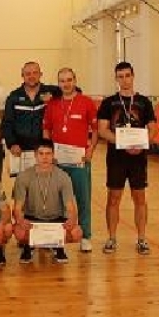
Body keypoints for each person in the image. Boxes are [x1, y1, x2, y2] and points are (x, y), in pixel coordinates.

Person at [97, 61, 158, 256]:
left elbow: (153, 128)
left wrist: (141, 144)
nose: (124, 80)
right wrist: (123, 143)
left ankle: (142, 239)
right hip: (116, 157)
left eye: (127, 75)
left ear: (133, 76)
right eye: (120, 76)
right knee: (113, 198)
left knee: (139, 198)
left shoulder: (144, 102)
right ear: (116, 79)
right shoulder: (108, 102)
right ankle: (112, 238)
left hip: (138, 158)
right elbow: (102, 130)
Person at [43, 68, 99, 253]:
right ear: (58, 83)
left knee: (83, 199)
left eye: (69, 80)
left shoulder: (86, 102)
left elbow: (95, 130)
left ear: (75, 80)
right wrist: (49, 153)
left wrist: (91, 150)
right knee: (56, 202)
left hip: (79, 161)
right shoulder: (52, 105)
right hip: (58, 162)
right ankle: (56, 237)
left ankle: (86, 236)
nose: (66, 84)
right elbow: (46, 130)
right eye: (62, 81)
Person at [12, 139, 83, 264]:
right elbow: (17, 208)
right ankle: (28, 246)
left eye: (48, 153)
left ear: (53, 155)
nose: (44, 157)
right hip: (32, 219)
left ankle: (58, 246)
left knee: (76, 233)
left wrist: (72, 220)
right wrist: (20, 220)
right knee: (19, 232)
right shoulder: (23, 176)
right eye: (41, 153)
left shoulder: (63, 176)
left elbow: (70, 206)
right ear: (35, 155)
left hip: (56, 220)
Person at [2, 61, 60, 166]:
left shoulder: (52, 91)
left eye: (35, 73)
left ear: (40, 74)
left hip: (44, 150)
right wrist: (12, 144)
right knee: (23, 177)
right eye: (28, 73)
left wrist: (53, 96)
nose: (31, 76)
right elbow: (7, 123)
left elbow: (74, 91)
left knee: (45, 176)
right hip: (21, 151)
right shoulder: (14, 96)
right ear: (22, 75)